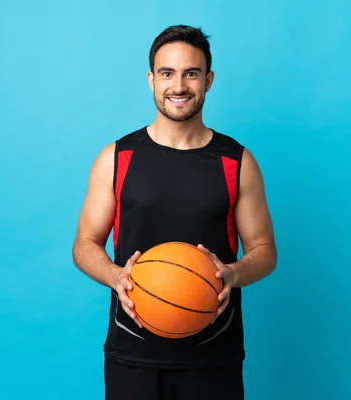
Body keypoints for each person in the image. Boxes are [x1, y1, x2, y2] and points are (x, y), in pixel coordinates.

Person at [72, 24, 277, 400]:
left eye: (191, 73)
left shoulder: (237, 161)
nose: (179, 86)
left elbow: (265, 250)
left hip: (214, 355)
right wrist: (115, 275)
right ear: (151, 79)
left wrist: (232, 272)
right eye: (167, 73)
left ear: (208, 80)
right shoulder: (116, 159)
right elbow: (84, 244)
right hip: (132, 352)